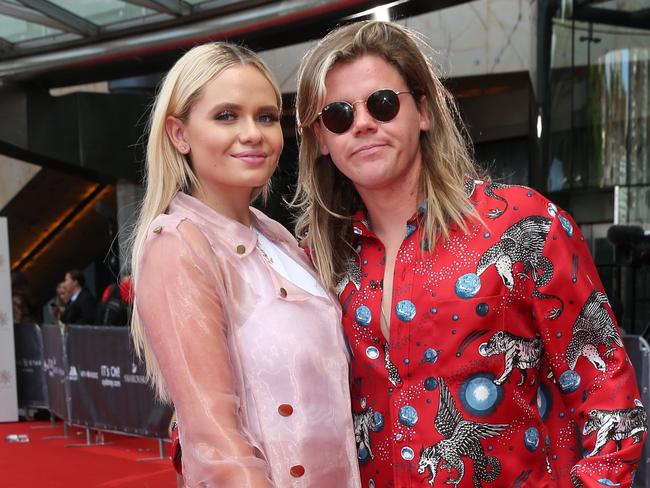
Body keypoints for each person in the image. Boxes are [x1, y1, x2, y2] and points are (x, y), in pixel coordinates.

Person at [293, 20, 646, 487]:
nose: (362, 124)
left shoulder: (524, 223)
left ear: (423, 112)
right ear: (322, 139)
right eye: (338, 115)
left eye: (382, 104)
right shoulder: (314, 262)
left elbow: (611, 405)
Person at [130, 42, 360, 487]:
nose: (253, 133)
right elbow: (215, 440)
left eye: (266, 116)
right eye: (226, 116)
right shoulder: (179, 243)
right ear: (179, 134)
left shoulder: (279, 237)